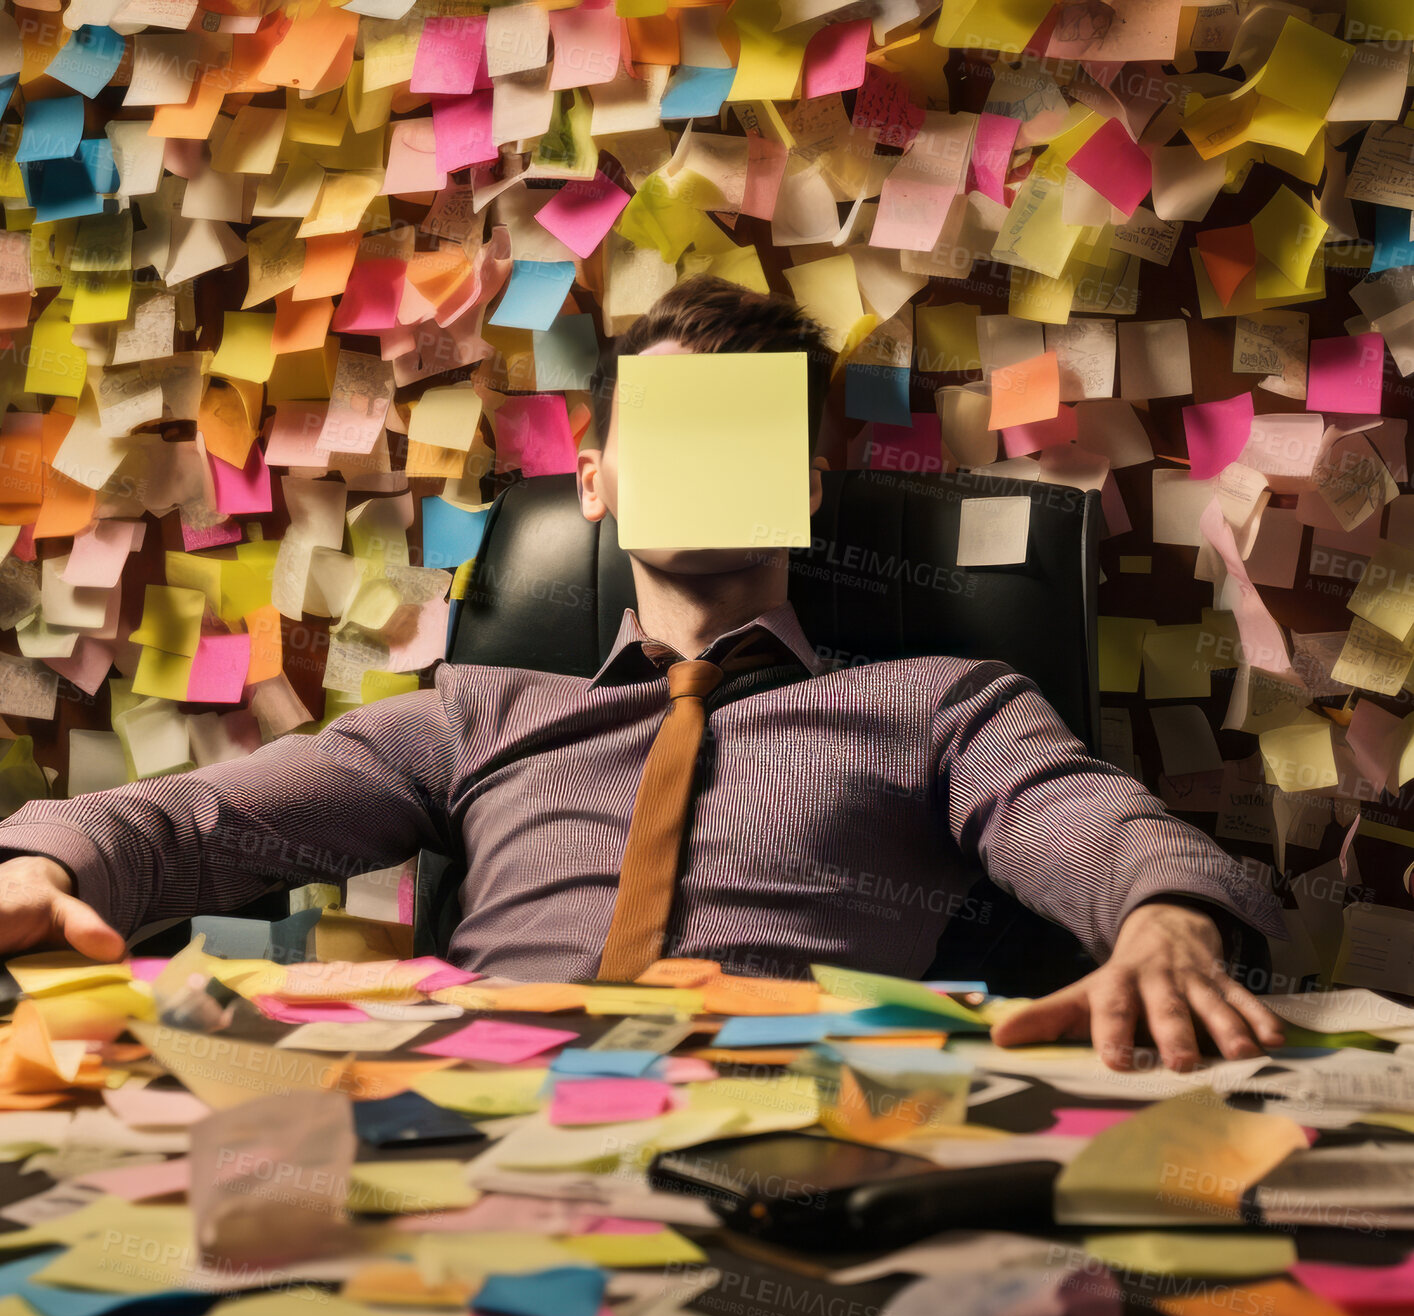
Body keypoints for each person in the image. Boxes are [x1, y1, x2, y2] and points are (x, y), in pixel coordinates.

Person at [0, 275, 1287, 1072]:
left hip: (794, 1124)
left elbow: (1085, 817)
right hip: (477, 1120)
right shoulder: (477, 709)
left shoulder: (941, 700)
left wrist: (1165, 917)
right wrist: (40, 867)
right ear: (597, 479)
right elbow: (203, 817)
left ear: (804, 481)